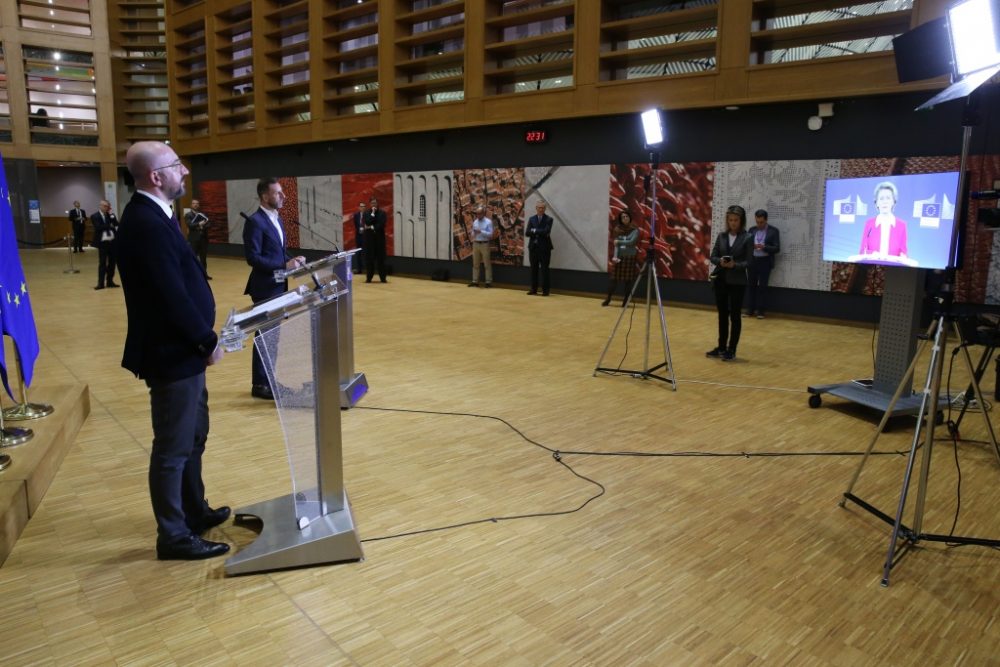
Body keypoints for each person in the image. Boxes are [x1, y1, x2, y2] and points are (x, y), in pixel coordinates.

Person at [115, 141, 230, 561]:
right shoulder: (145, 222)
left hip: (184, 351)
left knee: (193, 436)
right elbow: (169, 295)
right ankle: (173, 535)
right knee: (173, 446)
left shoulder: (158, 215)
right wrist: (206, 340)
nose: (185, 171)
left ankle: (194, 511)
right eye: (176, 165)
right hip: (173, 353)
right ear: (155, 176)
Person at [243, 177, 306, 400]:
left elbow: (277, 253)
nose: (283, 196)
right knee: (266, 336)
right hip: (264, 287)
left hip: (278, 285)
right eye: (278, 193)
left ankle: (267, 380)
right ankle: (260, 384)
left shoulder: (276, 220)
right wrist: (282, 265)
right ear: (264, 196)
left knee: (273, 337)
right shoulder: (255, 221)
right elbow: (253, 258)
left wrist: (292, 260)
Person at [708, 205, 752, 361]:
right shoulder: (721, 236)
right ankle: (721, 347)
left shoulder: (747, 238)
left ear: (741, 221)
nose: (733, 223)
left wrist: (735, 265)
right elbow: (712, 256)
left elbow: (749, 262)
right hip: (721, 280)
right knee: (722, 315)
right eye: (730, 220)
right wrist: (719, 261)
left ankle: (731, 349)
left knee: (735, 316)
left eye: (736, 220)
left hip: (737, 282)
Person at [745, 209, 780, 319]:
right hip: (752, 261)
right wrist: (751, 246)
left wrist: (764, 247)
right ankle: (750, 310)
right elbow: (746, 245)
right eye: (757, 222)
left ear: (766, 220)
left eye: (761, 222)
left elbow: (777, 248)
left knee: (762, 287)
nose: (759, 224)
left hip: (765, 262)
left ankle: (760, 311)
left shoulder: (774, 231)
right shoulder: (751, 229)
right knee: (751, 286)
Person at [859, 181, 908, 260]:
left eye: (888, 198)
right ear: (876, 203)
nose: (885, 202)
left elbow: (903, 253)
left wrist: (902, 257)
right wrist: (872, 254)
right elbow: (862, 251)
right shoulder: (869, 224)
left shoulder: (901, 225)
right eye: (881, 198)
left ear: (893, 202)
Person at [603, 211, 639, 307]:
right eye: (623, 217)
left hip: (629, 257)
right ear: (620, 219)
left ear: (630, 217)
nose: (625, 218)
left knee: (628, 281)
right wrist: (615, 255)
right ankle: (608, 299)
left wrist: (619, 241)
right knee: (613, 279)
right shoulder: (617, 229)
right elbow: (616, 244)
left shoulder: (635, 229)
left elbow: (632, 242)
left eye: (627, 216)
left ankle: (625, 301)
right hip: (619, 257)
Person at [526, 201, 554, 296]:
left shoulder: (549, 219)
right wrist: (538, 231)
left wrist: (534, 230)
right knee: (534, 269)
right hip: (533, 248)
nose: (541, 209)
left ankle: (545, 291)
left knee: (544, 270)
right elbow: (527, 233)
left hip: (545, 248)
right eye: (539, 208)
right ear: (536, 208)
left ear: (545, 209)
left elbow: (546, 232)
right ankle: (533, 289)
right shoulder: (532, 219)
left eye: (543, 208)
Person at [91, 199, 119, 290]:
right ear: (101, 206)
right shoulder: (95, 216)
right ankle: (100, 283)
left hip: (112, 242)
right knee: (102, 263)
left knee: (112, 263)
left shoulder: (110, 215)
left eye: (108, 206)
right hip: (102, 243)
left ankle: (110, 281)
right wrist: (109, 225)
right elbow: (98, 227)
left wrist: (112, 216)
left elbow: (116, 224)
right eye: (105, 206)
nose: (107, 208)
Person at [468, 204, 493, 288]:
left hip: (484, 244)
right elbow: (472, 233)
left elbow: (490, 234)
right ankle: (475, 281)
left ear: (483, 213)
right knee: (475, 264)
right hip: (476, 244)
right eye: (477, 214)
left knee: (487, 264)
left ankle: (488, 282)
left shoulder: (488, 222)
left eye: (479, 213)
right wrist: (473, 233)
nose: (477, 215)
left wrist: (481, 231)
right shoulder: (475, 221)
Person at [363, 196, 387, 283]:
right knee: (369, 260)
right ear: (370, 204)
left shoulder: (382, 213)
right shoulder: (366, 213)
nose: (374, 205)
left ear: (377, 204)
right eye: (372, 203)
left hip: (379, 240)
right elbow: (367, 222)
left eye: (375, 203)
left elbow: (381, 224)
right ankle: (369, 278)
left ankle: (383, 278)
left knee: (381, 260)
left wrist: (371, 227)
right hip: (369, 241)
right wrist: (372, 214)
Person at [184, 199, 211, 278]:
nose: (195, 205)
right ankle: (193, 275)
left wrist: (203, 225)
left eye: (197, 203)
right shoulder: (188, 215)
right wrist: (199, 223)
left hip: (203, 239)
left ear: (199, 205)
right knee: (193, 258)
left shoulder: (202, 214)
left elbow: (209, 224)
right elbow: (190, 225)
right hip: (193, 239)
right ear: (191, 205)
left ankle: (204, 275)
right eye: (194, 203)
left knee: (203, 258)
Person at [351, 201, 367, 274]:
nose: (362, 208)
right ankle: (359, 269)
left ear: (365, 208)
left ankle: (367, 269)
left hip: (366, 237)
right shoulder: (356, 215)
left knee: (366, 253)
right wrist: (359, 230)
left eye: (363, 206)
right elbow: (356, 225)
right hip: (358, 236)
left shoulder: (367, 215)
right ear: (359, 207)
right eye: (361, 206)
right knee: (358, 253)